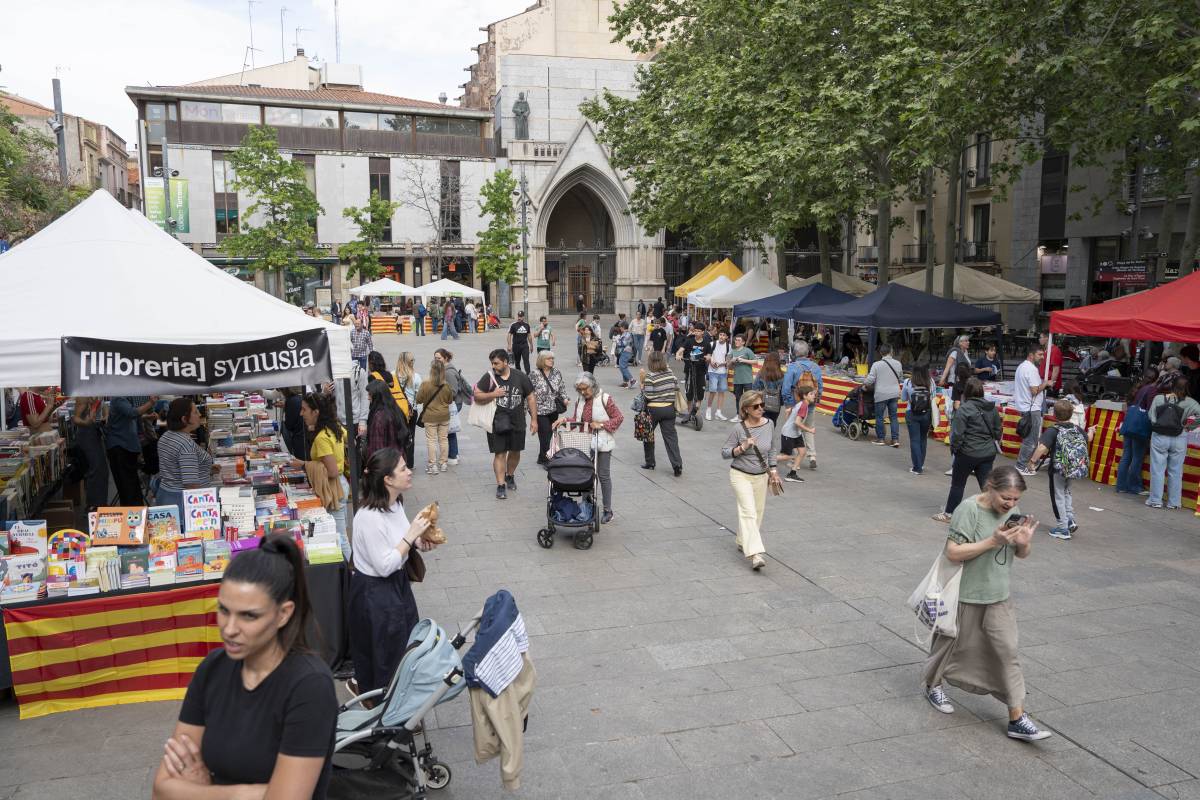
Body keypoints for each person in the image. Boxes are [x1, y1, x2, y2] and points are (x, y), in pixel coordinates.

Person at [154, 534, 337, 799]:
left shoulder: (309, 685)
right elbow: (162, 789)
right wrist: (247, 794)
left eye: (248, 616)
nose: (229, 629)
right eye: (224, 610)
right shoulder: (212, 669)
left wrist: (204, 790)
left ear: (283, 614)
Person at [921, 466, 1050, 742]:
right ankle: (933, 685)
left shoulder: (1011, 513)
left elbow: (1021, 554)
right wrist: (993, 540)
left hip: (998, 595)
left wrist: (1024, 543)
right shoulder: (968, 510)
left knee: (1008, 652)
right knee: (947, 646)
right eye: (1006, 497)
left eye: (1015, 499)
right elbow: (953, 552)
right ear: (989, 486)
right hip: (964, 594)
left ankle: (1017, 718)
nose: (1010, 504)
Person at [346, 449, 440, 701]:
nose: (409, 472)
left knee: (405, 647)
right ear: (387, 479)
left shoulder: (395, 503)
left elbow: (399, 540)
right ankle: (379, 705)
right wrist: (411, 536)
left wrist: (419, 542)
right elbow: (384, 565)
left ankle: (399, 703)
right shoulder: (368, 518)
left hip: (397, 587)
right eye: (402, 469)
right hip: (374, 593)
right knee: (385, 653)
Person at [721, 390, 781, 571]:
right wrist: (742, 447)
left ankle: (742, 539)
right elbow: (725, 452)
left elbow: (771, 448)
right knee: (749, 512)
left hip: (761, 476)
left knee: (758, 512)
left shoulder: (769, 424)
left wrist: (774, 470)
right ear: (746, 408)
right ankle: (755, 554)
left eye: (762, 405)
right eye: (756, 406)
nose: (761, 409)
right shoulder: (739, 429)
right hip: (740, 475)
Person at [557, 372, 624, 524]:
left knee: (603, 475)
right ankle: (587, 503)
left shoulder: (605, 398)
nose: (582, 392)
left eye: (585, 389)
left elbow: (618, 418)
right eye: (579, 389)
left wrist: (601, 425)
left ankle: (608, 510)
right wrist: (564, 420)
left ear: (593, 385)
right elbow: (576, 420)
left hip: (602, 442)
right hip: (585, 442)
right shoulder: (580, 399)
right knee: (585, 473)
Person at [291, 393, 351, 561]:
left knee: (339, 537)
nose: (301, 414)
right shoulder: (334, 428)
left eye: (304, 409)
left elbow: (331, 471)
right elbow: (348, 437)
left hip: (333, 488)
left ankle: (354, 573)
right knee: (342, 533)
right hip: (341, 485)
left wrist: (304, 464)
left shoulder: (322, 438)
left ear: (316, 412)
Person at [933, 378, 1002, 523]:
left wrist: (955, 450)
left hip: (967, 452)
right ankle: (995, 512)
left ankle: (949, 514)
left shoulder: (964, 409)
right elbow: (998, 431)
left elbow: (957, 434)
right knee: (986, 484)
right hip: (987, 452)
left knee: (958, 484)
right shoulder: (992, 408)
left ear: (966, 392)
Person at [475, 349, 538, 500]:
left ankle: (510, 475)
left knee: (515, 451)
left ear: (505, 362)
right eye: (492, 363)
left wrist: (534, 420)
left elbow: (530, 398)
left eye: (496, 363)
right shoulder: (489, 377)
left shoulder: (520, 376)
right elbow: (476, 396)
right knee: (500, 453)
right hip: (497, 422)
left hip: (518, 421)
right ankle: (501, 485)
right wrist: (493, 394)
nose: (494, 366)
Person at [1029, 398, 1095, 539]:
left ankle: (1062, 528)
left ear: (1054, 415)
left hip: (1057, 469)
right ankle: (1070, 520)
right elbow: (1088, 439)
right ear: (1071, 414)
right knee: (1066, 493)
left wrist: (1032, 461)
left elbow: (1042, 447)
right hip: (1073, 468)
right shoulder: (1076, 428)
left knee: (1057, 496)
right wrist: (1091, 430)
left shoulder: (1053, 430)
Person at [1146, 376, 1200, 510]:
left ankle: (1155, 500)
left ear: (1172, 385)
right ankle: (1174, 502)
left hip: (1160, 437)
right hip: (1179, 437)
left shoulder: (1159, 398)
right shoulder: (1192, 403)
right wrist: (1189, 427)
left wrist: (1158, 425)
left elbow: (1151, 416)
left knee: (1157, 470)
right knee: (1176, 471)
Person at [156, 398, 216, 520]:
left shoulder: (166, 436)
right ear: (184, 419)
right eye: (195, 412)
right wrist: (204, 514)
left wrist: (206, 468)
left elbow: (176, 468)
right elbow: (191, 485)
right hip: (184, 506)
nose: (199, 414)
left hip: (167, 497)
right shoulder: (185, 444)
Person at [1115, 368, 1160, 495]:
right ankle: (1134, 486)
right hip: (1140, 427)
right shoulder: (1152, 390)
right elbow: (1151, 410)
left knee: (1126, 455)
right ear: (1156, 379)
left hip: (1129, 424)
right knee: (1137, 457)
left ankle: (1121, 485)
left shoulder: (1138, 388)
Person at [639, 350, 683, 476]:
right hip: (669, 409)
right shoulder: (670, 374)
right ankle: (677, 465)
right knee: (671, 438)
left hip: (654, 410)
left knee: (648, 435)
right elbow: (676, 387)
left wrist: (642, 386)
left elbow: (649, 396)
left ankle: (650, 462)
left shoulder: (650, 376)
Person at [106, 395, 156, 505]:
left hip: (127, 446)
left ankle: (135, 512)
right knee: (127, 485)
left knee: (131, 484)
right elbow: (132, 413)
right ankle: (133, 513)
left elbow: (131, 417)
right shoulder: (118, 398)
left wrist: (146, 417)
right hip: (120, 446)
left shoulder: (126, 398)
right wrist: (151, 403)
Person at [782, 342, 823, 470]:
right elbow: (820, 386)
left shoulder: (793, 367)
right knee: (809, 428)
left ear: (794, 353)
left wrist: (788, 404)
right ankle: (812, 456)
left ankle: (794, 459)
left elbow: (786, 388)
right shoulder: (815, 367)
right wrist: (815, 400)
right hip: (810, 404)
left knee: (794, 429)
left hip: (796, 405)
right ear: (807, 352)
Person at [1014, 345, 1052, 475]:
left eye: (1042, 354)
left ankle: (1022, 464)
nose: (1042, 357)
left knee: (1029, 439)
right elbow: (1035, 391)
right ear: (1031, 355)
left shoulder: (1022, 367)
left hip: (1026, 407)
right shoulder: (1031, 369)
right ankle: (1020, 466)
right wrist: (1045, 384)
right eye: (1040, 354)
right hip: (1032, 409)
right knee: (1031, 440)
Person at [415, 359, 454, 475]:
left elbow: (419, 399)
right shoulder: (446, 385)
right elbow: (450, 400)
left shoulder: (425, 384)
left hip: (430, 416)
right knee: (443, 439)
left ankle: (432, 465)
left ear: (431, 370)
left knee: (431, 441)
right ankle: (443, 463)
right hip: (444, 416)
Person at [530, 350, 569, 465]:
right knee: (545, 434)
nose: (552, 361)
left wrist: (565, 398)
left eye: (552, 358)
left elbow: (562, 387)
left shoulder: (556, 372)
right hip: (540, 410)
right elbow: (529, 393)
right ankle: (546, 459)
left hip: (553, 409)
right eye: (549, 358)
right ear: (542, 360)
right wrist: (529, 412)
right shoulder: (534, 374)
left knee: (549, 433)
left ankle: (542, 456)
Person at [71, 396, 109, 511]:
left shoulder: (97, 391)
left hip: (94, 432)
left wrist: (105, 415)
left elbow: (104, 405)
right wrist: (86, 422)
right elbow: (75, 418)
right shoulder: (84, 396)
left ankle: (99, 503)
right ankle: (94, 505)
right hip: (87, 434)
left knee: (101, 469)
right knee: (96, 468)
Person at [434, 349, 468, 466]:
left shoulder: (448, 372)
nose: (436, 360)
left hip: (453, 404)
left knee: (449, 431)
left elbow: (453, 392)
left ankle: (452, 456)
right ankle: (454, 454)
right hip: (451, 403)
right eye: (435, 358)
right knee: (450, 430)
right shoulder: (445, 369)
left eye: (439, 358)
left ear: (446, 358)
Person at [865, 343, 903, 447]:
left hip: (881, 394)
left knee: (879, 417)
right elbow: (900, 379)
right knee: (893, 417)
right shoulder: (898, 364)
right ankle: (895, 440)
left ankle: (881, 439)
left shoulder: (876, 365)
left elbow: (870, 380)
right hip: (894, 393)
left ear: (881, 353)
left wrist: (865, 384)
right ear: (891, 352)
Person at [676, 321, 713, 427]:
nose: (696, 333)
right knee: (689, 395)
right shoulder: (689, 341)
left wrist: (708, 357)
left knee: (699, 395)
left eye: (699, 331)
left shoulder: (706, 343)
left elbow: (709, 355)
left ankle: (694, 413)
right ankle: (689, 413)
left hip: (701, 371)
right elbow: (681, 350)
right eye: (695, 331)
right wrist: (678, 355)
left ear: (703, 332)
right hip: (689, 370)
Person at [365, 379, 409, 469]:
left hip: (386, 466)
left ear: (377, 396)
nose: (368, 398)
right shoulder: (395, 410)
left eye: (370, 394)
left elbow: (377, 447)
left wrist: (373, 467)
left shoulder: (379, 417)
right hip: (399, 460)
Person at [901, 363, 936, 475]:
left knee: (914, 440)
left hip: (912, 413)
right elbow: (934, 398)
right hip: (926, 414)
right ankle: (920, 463)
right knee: (923, 438)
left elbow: (903, 398)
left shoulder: (908, 382)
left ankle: (917, 467)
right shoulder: (931, 382)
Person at [780, 386, 816, 483]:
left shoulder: (801, 404)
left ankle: (792, 474)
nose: (814, 396)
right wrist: (810, 430)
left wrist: (788, 412)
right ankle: (764, 460)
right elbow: (797, 422)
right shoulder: (803, 406)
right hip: (789, 434)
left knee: (802, 452)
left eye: (814, 394)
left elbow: (790, 418)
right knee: (786, 456)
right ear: (805, 396)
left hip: (796, 433)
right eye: (811, 394)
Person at [704, 329, 732, 421]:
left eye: (724, 335)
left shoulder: (729, 346)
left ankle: (718, 412)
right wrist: (711, 361)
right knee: (712, 391)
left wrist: (723, 363)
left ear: (727, 337)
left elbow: (728, 360)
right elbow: (707, 356)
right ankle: (708, 410)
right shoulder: (712, 344)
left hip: (723, 371)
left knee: (722, 392)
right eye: (720, 334)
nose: (721, 336)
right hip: (712, 371)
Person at [752, 351, 785, 426]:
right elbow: (784, 391)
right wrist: (781, 402)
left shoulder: (761, 373)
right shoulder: (782, 375)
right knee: (773, 422)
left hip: (762, 403)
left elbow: (754, 388)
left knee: (761, 422)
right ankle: (769, 436)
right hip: (776, 404)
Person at [727, 333, 759, 410]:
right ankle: (739, 414)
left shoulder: (747, 350)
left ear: (743, 342)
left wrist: (743, 360)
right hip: (737, 379)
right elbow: (729, 366)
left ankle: (749, 414)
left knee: (749, 398)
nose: (736, 341)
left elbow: (755, 361)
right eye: (736, 340)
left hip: (747, 379)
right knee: (738, 398)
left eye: (739, 340)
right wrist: (732, 361)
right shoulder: (732, 351)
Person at [280, 387, 307, 459]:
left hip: (299, 438)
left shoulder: (291, 400)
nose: (302, 413)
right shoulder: (305, 397)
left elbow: (289, 425)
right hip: (305, 437)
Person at [615, 321, 636, 388]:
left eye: (620, 327)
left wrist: (617, 340)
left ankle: (632, 379)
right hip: (625, 352)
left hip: (626, 352)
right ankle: (625, 382)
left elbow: (622, 344)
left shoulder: (627, 334)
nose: (619, 328)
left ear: (623, 327)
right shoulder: (626, 333)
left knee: (622, 366)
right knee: (623, 366)